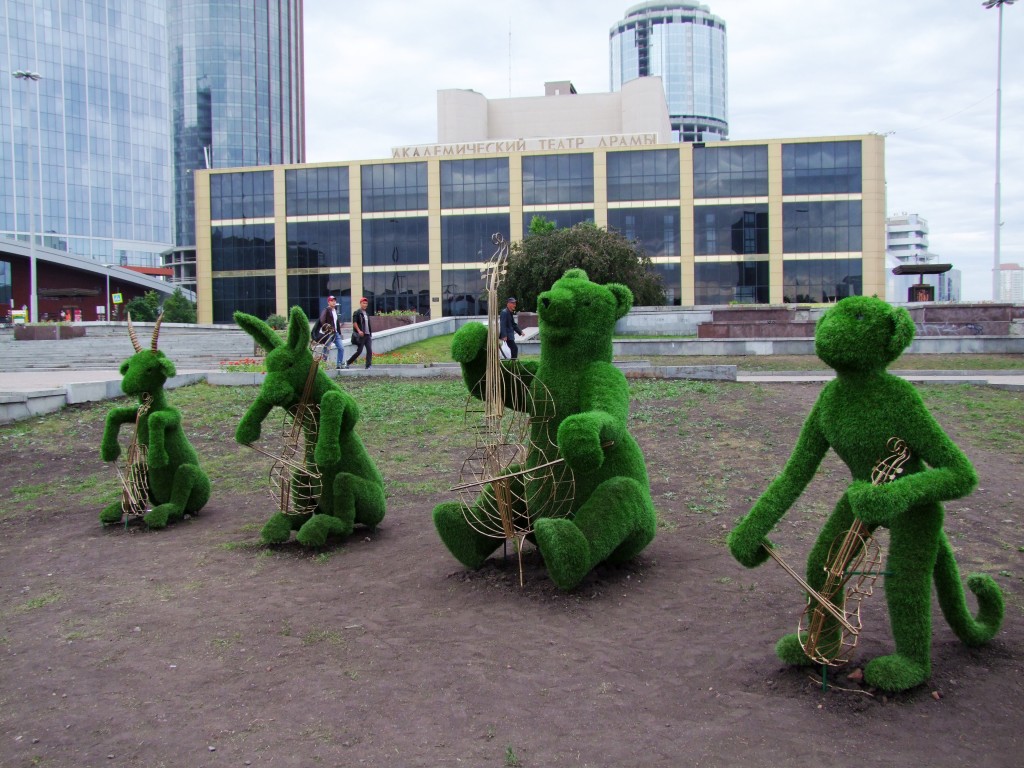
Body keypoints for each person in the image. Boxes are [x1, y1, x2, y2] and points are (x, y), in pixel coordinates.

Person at [317, 295, 347, 369]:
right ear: (328, 302)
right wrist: (327, 329)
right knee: (326, 349)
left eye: (334, 301)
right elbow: (322, 320)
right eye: (332, 301)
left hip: (336, 333)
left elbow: (336, 322)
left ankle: (339, 364)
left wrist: (339, 332)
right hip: (329, 333)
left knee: (341, 348)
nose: (333, 302)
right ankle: (323, 365)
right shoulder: (326, 310)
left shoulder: (335, 310)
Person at [346, 296, 373, 369]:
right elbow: (354, 323)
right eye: (364, 303)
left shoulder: (366, 314)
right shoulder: (357, 312)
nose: (365, 305)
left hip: (367, 335)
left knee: (369, 350)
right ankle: (348, 362)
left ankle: (368, 365)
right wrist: (359, 331)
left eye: (366, 303)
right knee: (359, 351)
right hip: (361, 336)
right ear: (360, 303)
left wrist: (370, 333)